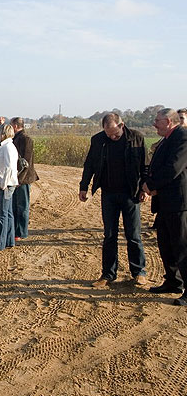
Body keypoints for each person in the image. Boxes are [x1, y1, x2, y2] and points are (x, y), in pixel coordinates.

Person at [79, 113, 148, 288]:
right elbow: (90, 164)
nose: (112, 137)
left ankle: (139, 272)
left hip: (130, 194)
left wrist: (145, 188)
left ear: (122, 125)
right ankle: (108, 274)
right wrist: (84, 186)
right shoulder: (98, 140)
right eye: (108, 134)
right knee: (109, 235)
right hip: (108, 194)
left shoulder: (136, 138)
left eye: (115, 134)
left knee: (133, 235)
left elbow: (145, 166)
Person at [142, 108, 187, 304]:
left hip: (179, 202)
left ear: (168, 121)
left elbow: (173, 168)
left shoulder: (182, 137)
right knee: (166, 244)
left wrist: (151, 185)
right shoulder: (167, 139)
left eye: (157, 121)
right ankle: (172, 282)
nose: (154, 124)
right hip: (165, 202)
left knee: (182, 247)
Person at [11, 117, 39, 240]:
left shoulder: (26, 139)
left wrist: (19, 180)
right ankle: (15, 230)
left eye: (11, 125)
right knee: (14, 206)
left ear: (16, 126)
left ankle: (21, 232)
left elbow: (26, 162)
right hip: (15, 177)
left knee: (22, 206)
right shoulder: (14, 138)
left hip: (23, 179)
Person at [0, 124, 19, 251]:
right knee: (8, 213)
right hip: (8, 183)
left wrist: (3, 184)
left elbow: (8, 167)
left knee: (2, 214)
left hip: (7, 184)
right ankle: (9, 240)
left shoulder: (7, 147)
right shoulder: (8, 146)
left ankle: (0, 243)